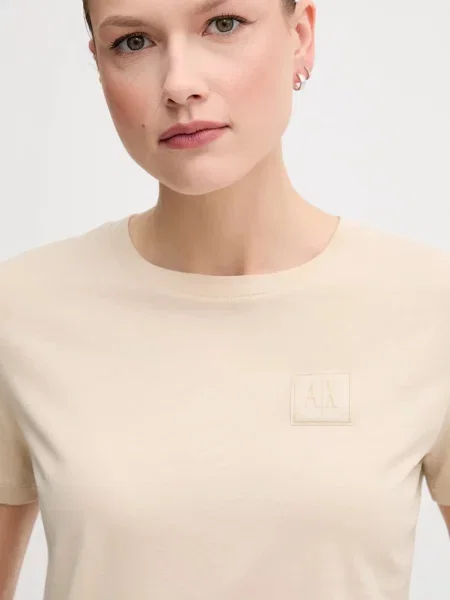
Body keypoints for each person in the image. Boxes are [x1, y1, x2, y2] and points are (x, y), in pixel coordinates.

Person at [0, 0, 449, 598]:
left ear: (300, 35)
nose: (179, 84)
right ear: (100, 67)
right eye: (133, 42)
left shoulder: (429, 306)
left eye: (223, 24)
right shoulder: (21, 310)